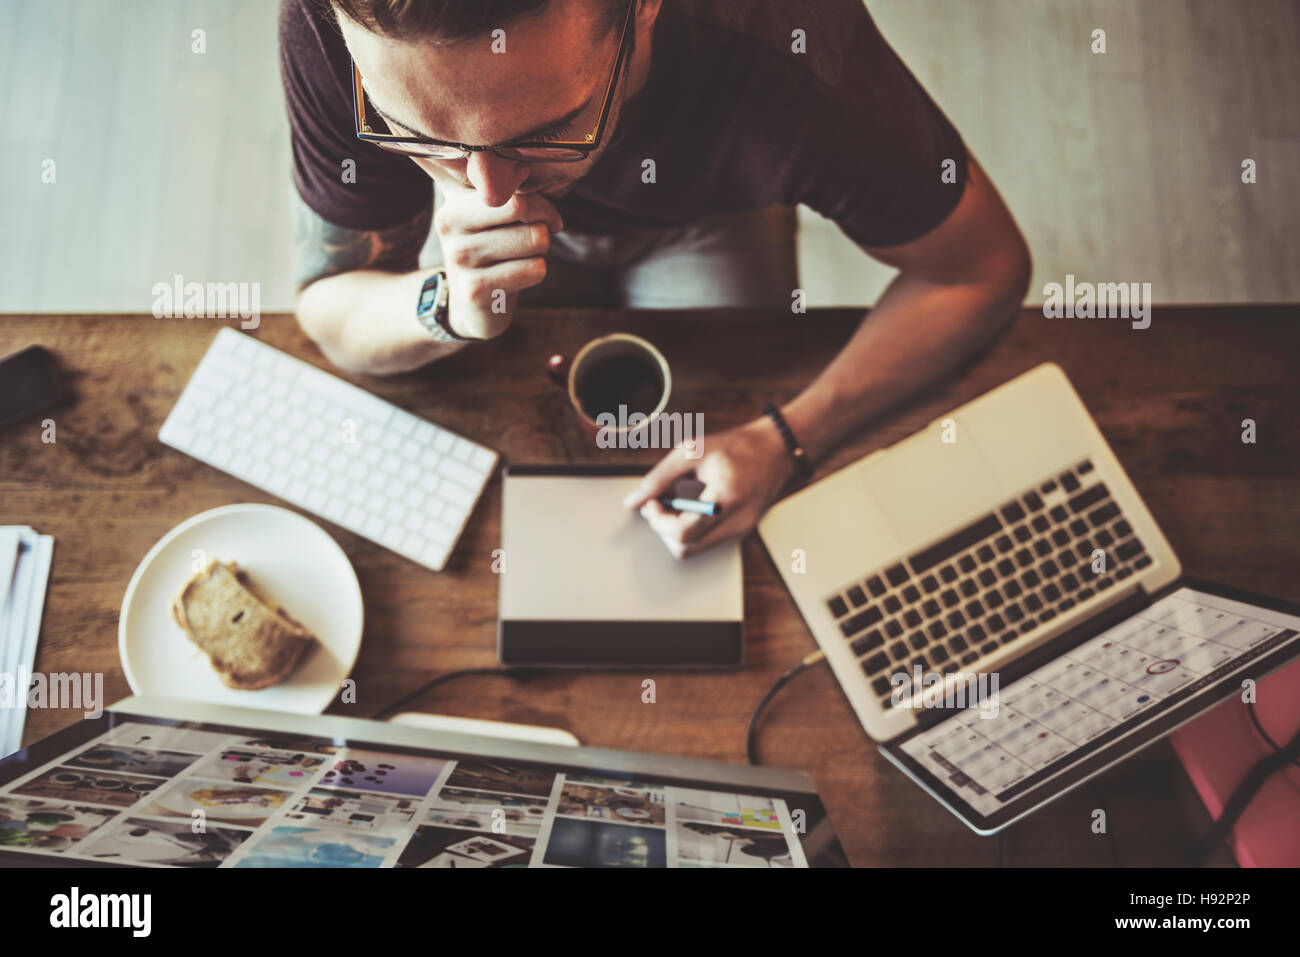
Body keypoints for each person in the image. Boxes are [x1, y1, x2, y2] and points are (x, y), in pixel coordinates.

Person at [281, 0, 1031, 557]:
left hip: (708, 218)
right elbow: (328, 306)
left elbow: (982, 271)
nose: (492, 198)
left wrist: (787, 438)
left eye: (548, 131)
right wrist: (443, 302)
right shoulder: (331, 26)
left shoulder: (795, 50)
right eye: (418, 137)